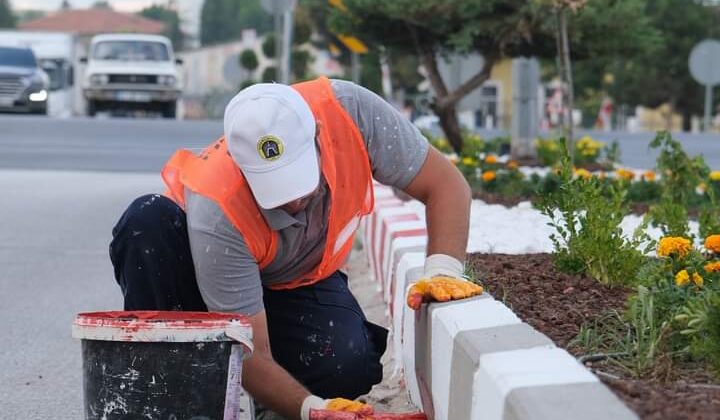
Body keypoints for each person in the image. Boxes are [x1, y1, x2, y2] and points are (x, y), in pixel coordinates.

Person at [109, 76, 480, 420]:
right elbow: (248, 347)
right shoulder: (217, 205)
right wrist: (310, 410)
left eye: (297, 180)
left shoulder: (352, 113)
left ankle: (274, 404)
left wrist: (443, 269)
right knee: (146, 221)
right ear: (240, 166)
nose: (292, 202)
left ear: (318, 136)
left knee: (346, 363)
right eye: (275, 188)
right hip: (202, 282)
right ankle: (171, 391)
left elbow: (446, 185)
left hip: (297, 280)